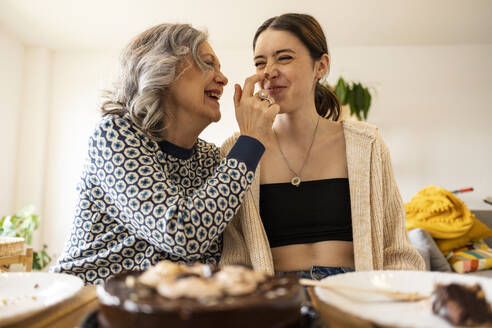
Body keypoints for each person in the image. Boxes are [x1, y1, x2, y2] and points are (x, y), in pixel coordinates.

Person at [50, 23, 279, 284]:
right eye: (208, 64)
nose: (223, 79)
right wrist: (250, 140)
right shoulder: (115, 134)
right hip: (86, 302)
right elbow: (182, 233)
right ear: (163, 69)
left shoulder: (210, 158)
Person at [219, 13, 425, 279]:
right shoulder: (239, 150)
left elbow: (396, 251)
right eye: (260, 62)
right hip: (277, 296)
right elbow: (234, 258)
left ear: (321, 66)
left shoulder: (367, 144)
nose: (269, 71)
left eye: (284, 57)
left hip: (354, 292)